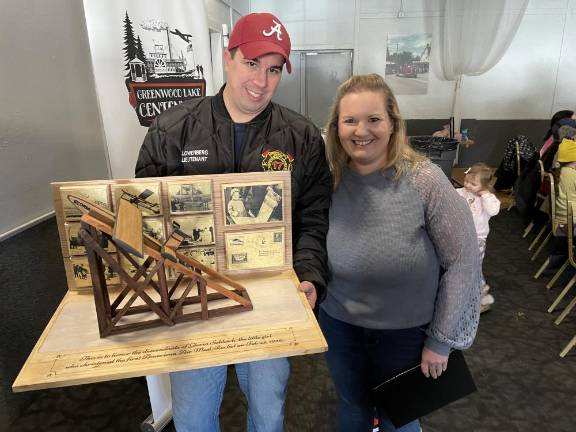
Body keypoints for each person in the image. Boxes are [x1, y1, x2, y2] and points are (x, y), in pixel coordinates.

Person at [135, 12, 331, 432]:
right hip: (192, 301)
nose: (261, 81)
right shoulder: (172, 130)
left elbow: (315, 216)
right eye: (251, 63)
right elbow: (143, 216)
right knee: (193, 418)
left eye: (274, 69)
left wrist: (311, 273)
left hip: (270, 296)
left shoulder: (301, 136)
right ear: (227, 58)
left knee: (268, 411)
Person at [321, 73, 481, 432]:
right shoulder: (330, 179)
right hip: (340, 325)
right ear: (337, 128)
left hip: (406, 334)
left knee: (399, 419)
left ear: (393, 124)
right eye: (350, 120)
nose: (361, 131)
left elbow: (463, 262)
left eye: (373, 119)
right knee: (353, 407)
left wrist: (441, 341)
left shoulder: (425, 180)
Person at [456, 163, 501, 313]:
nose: (468, 185)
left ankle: (481, 297)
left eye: (473, 184)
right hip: (461, 236)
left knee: (473, 268)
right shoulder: (462, 192)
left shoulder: (489, 199)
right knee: (461, 267)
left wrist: (486, 195)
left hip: (477, 240)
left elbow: (494, 211)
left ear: (484, 186)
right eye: (466, 181)